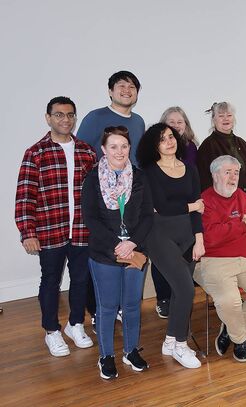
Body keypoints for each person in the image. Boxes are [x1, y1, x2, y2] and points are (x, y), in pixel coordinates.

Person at [15, 96, 96, 357]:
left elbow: (96, 193)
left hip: (82, 230)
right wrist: (28, 233)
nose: (65, 119)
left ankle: (75, 324)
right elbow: (25, 195)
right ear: (48, 118)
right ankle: (52, 330)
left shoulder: (86, 151)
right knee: (50, 281)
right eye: (59, 115)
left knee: (81, 279)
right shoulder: (35, 153)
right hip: (50, 230)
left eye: (70, 114)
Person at [81, 126, 153, 379]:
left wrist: (131, 242)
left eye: (124, 146)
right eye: (113, 146)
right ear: (104, 149)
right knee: (108, 307)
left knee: (133, 305)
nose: (119, 151)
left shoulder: (141, 178)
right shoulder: (92, 179)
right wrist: (117, 243)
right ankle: (106, 356)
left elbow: (147, 216)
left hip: (135, 251)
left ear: (129, 148)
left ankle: (131, 351)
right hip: (105, 252)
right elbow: (90, 218)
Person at [195, 155, 246, 362]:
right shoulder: (205, 201)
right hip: (215, 261)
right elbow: (210, 238)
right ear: (215, 175)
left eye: (236, 172)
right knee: (229, 301)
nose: (233, 177)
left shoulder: (241, 195)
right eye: (228, 172)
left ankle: (230, 328)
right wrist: (241, 226)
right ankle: (240, 339)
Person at [136, 123, 203, 369]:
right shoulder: (149, 171)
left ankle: (170, 339)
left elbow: (200, 209)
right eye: (162, 139)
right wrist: (192, 206)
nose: (169, 141)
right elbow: (160, 207)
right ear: (155, 146)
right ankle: (181, 345)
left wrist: (200, 238)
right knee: (186, 289)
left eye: (171, 136)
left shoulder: (191, 169)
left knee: (179, 291)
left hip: (187, 236)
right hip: (159, 234)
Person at [150, 106, 200, 318]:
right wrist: (193, 206)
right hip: (166, 219)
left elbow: (194, 182)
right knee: (163, 262)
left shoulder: (192, 149)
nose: (176, 125)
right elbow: (161, 203)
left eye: (180, 122)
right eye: (171, 122)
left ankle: (179, 302)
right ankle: (164, 298)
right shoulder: (154, 163)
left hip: (187, 219)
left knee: (184, 267)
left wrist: (196, 206)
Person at [76, 71, 145, 166]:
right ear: (110, 92)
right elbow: (79, 153)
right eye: (122, 86)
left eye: (132, 87)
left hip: (135, 179)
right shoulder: (95, 117)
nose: (127, 90)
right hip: (102, 178)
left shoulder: (139, 121)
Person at [196, 102, 246, 203]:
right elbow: (204, 181)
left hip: (245, 203)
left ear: (233, 119)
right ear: (214, 120)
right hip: (222, 206)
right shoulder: (208, 146)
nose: (226, 119)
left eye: (229, 115)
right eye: (221, 116)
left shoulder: (242, 144)